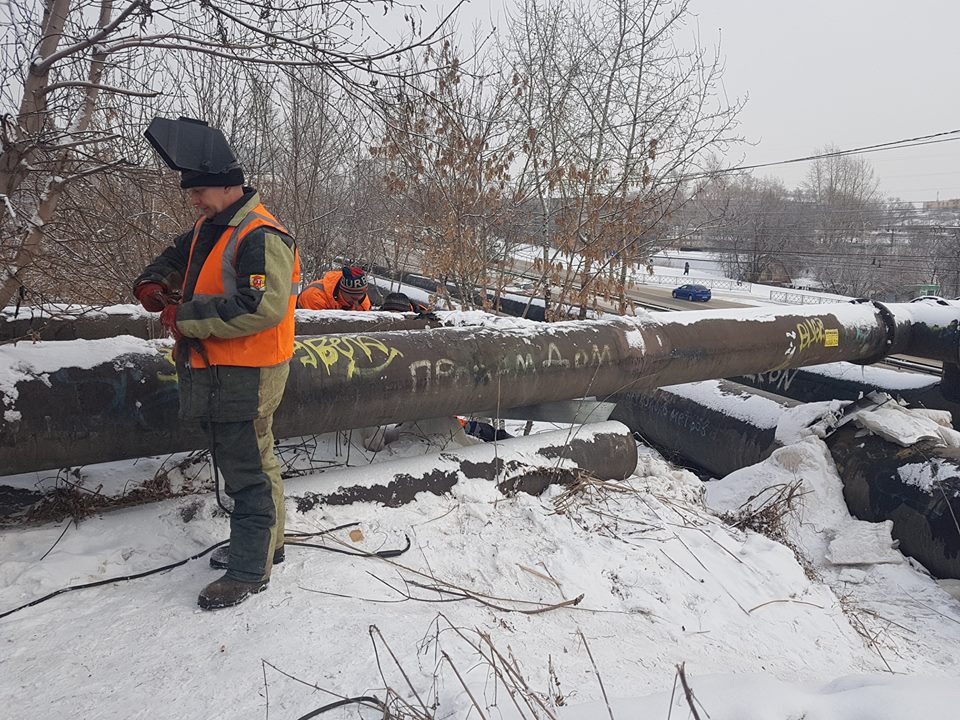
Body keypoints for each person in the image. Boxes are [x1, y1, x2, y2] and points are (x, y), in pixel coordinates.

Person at [133, 116, 300, 610]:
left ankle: (250, 569)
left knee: (246, 468)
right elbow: (177, 256)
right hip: (225, 370)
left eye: (199, 191)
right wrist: (152, 281)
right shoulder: (214, 225)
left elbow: (261, 308)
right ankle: (268, 545)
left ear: (229, 186)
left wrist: (182, 316)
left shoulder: (261, 235)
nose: (193, 200)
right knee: (256, 459)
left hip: (248, 373)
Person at [298, 265, 372, 310]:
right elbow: (313, 330)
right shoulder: (315, 296)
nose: (356, 305)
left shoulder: (362, 301)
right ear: (341, 291)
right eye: (353, 299)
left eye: (360, 298)